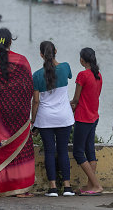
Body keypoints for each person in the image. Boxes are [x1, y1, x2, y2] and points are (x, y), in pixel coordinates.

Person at [0, 28, 35, 197]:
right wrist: (25, 110)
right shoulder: (22, 61)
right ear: (11, 41)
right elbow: (29, 88)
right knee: (22, 149)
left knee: (1, 149)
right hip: (19, 114)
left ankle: (2, 188)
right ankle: (22, 190)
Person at [31, 41, 75, 197]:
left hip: (45, 119)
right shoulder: (65, 67)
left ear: (41, 55)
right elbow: (68, 76)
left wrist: (33, 122)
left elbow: (35, 102)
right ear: (56, 50)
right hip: (64, 117)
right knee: (63, 151)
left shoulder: (36, 75)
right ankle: (68, 187)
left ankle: (53, 188)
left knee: (50, 152)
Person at [70, 47, 103, 195]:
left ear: (82, 60)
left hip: (83, 117)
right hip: (94, 116)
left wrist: (68, 108)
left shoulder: (82, 75)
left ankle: (96, 185)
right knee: (90, 151)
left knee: (78, 152)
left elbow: (76, 99)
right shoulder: (98, 75)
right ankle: (90, 186)